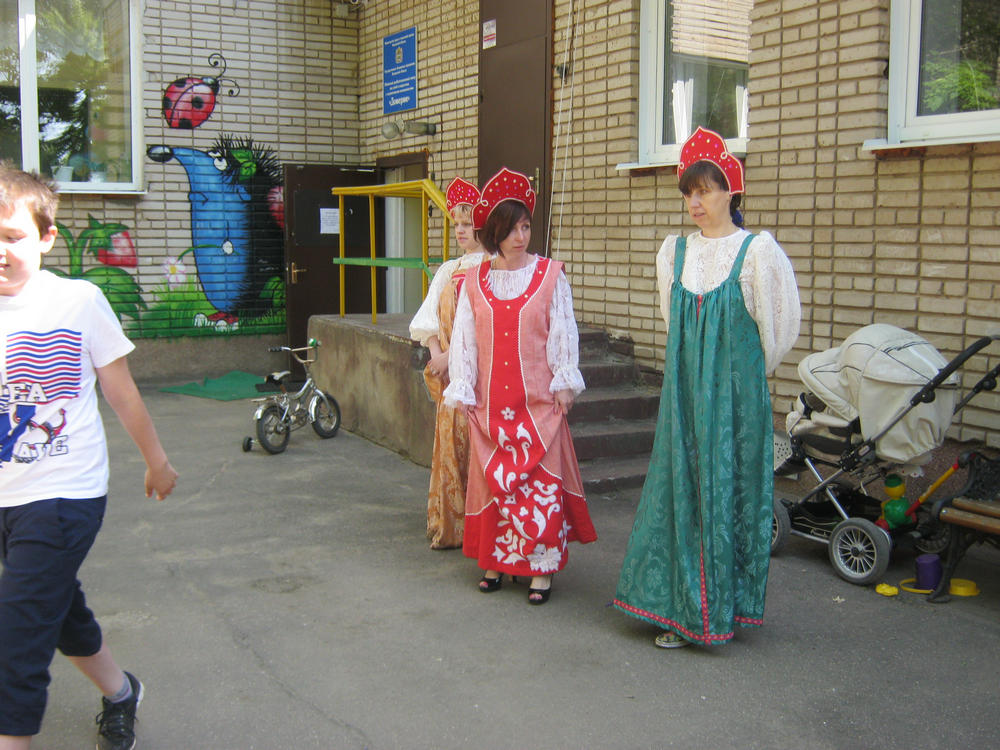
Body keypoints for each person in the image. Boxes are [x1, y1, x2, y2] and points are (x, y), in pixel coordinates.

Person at [0, 166, 178, 750]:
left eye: (12, 236)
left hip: (63, 491)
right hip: (6, 491)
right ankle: (122, 692)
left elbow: (120, 391)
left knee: (16, 637)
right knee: (53, 606)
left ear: (46, 238)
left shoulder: (77, 300)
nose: (0, 251)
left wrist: (156, 461)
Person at [612, 127, 800, 647]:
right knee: (682, 493)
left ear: (730, 192)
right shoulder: (674, 253)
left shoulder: (757, 252)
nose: (695, 203)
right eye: (688, 193)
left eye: (705, 191)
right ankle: (682, 610)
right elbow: (675, 323)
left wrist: (737, 379)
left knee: (729, 495)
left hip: (735, 401)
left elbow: (778, 330)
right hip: (685, 396)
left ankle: (720, 611)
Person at [444, 167, 597, 605]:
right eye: (511, 228)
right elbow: (465, 339)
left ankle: (540, 569)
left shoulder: (550, 276)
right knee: (494, 483)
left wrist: (565, 381)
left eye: (526, 226)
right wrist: (464, 386)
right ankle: (495, 561)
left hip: (538, 406)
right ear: (494, 232)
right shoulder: (474, 282)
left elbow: (562, 331)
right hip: (491, 406)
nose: (520, 236)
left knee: (538, 486)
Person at [408, 177, 486, 549]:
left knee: (478, 447)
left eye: (467, 223)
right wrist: (437, 354)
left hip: (480, 372)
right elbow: (427, 319)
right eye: (456, 224)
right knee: (451, 445)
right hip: (449, 372)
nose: (460, 230)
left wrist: (453, 358)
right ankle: (452, 524)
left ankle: (480, 528)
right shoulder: (447, 269)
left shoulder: (493, 267)